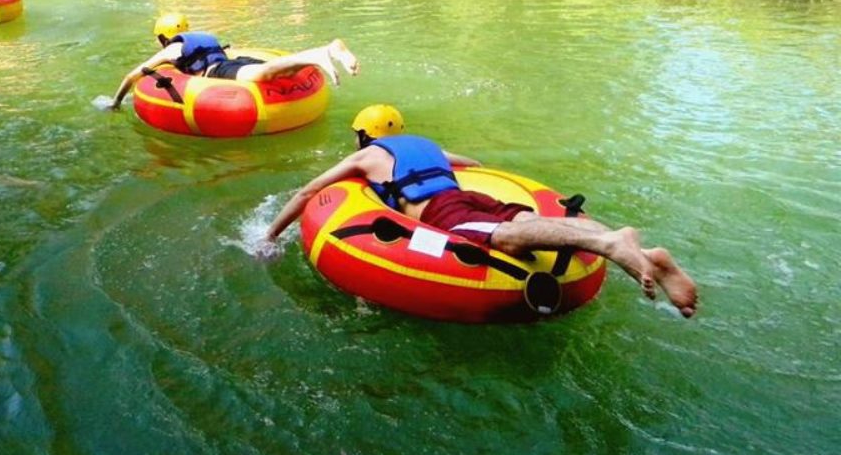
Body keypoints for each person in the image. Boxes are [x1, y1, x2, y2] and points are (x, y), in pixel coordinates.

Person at [260, 104, 699, 318]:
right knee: (525, 221)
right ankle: (642, 259)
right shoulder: (428, 146)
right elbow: (471, 165)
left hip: (443, 212)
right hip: (474, 197)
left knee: (504, 239)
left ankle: (611, 242)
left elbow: (305, 194)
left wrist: (270, 236)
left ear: (363, 136)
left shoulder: (365, 158)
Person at [109, 13, 358, 110]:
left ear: (163, 37)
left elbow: (132, 77)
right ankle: (320, 53)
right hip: (233, 60)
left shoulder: (171, 49)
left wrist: (116, 102)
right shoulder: (203, 35)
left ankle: (322, 53)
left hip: (220, 71)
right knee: (278, 69)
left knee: (265, 74)